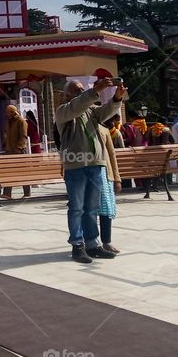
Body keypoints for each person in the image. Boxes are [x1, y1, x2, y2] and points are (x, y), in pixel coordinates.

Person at [55, 76, 127, 264]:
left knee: (92, 208)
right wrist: (95, 91)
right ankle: (77, 245)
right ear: (68, 94)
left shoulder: (91, 111)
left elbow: (106, 112)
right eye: (77, 89)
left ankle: (92, 244)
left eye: (82, 88)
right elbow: (77, 106)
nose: (81, 91)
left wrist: (117, 99)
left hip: (95, 164)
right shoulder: (63, 111)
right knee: (77, 208)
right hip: (76, 165)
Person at [99, 120, 122, 254]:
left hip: (105, 174)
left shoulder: (104, 130)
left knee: (106, 208)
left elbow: (111, 154)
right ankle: (90, 242)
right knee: (87, 211)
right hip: (85, 173)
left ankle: (106, 241)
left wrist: (117, 178)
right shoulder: (80, 128)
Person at [2, 105, 30, 198]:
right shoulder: (8, 122)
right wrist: (5, 143)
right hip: (9, 150)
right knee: (8, 172)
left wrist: (19, 148)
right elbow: (7, 133)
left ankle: (27, 193)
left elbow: (24, 136)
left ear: (13, 112)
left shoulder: (21, 121)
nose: (6, 114)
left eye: (8, 112)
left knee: (23, 172)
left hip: (19, 151)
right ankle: (7, 193)